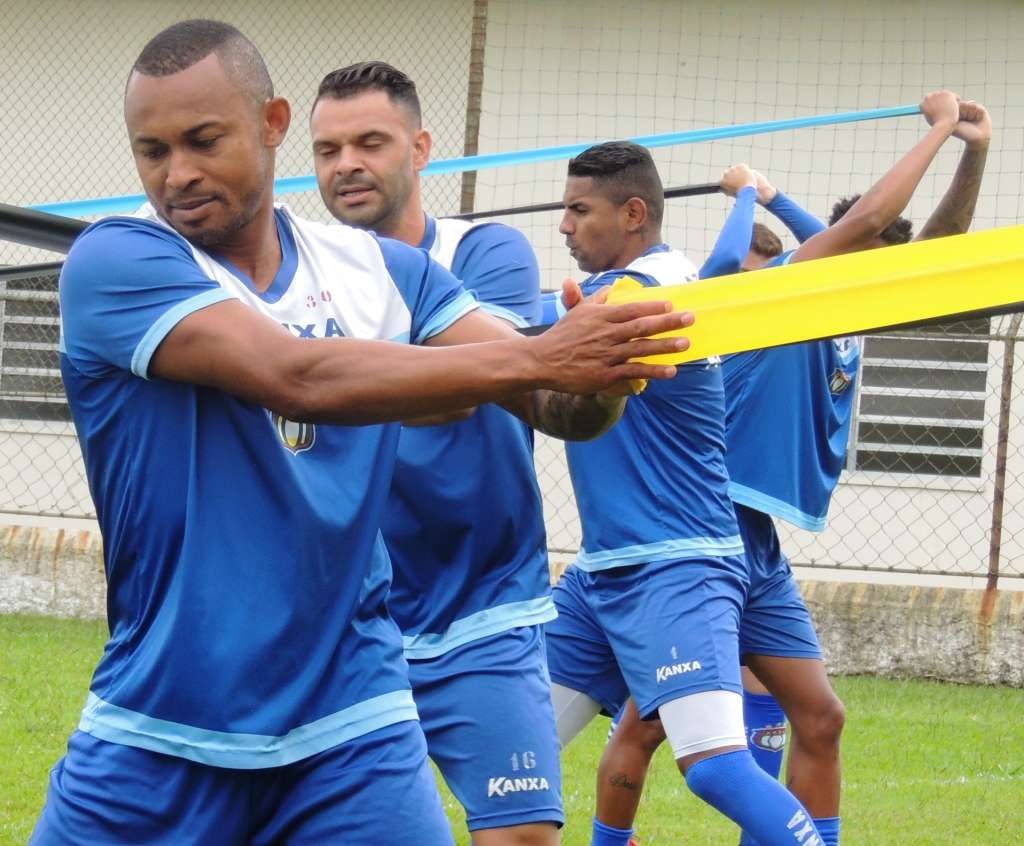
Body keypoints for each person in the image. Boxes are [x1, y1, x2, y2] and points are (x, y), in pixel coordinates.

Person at [31, 20, 694, 846]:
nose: (179, 175)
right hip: (165, 722)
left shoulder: (383, 271)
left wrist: (604, 372)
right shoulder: (117, 260)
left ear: (271, 125)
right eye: (152, 151)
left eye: (204, 141)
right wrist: (541, 358)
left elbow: (556, 409)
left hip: (353, 722)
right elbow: (297, 378)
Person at [588, 93, 991, 846]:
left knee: (817, 717)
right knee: (651, 726)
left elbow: (931, 248)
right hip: (708, 524)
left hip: (757, 537)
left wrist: (975, 150)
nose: (899, 278)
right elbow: (862, 226)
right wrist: (940, 126)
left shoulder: (856, 309)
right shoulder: (794, 288)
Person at [541, 139, 832, 846]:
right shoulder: (621, 290)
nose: (564, 226)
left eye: (579, 210)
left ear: (634, 213)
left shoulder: (658, 283)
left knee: (715, 768)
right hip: (603, 571)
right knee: (510, 752)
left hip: (677, 565)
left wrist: (746, 195)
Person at [310, 61, 561, 845]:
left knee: (522, 833)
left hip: (481, 602)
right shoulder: (299, 276)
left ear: (420, 149)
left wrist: (334, 375)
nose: (347, 163)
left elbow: (481, 376)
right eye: (327, 149)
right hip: (346, 617)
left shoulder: (486, 252)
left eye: (370, 142)